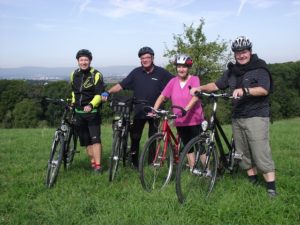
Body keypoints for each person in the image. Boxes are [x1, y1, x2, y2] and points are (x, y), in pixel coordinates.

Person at [190, 36, 277, 197]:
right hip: (237, 116)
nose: (241, 55)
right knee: (241, 152)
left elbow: (264, 89)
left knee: (260, 151)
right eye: (238, 53)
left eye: (244, 52)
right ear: (234, 54)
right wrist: (199, 87)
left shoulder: (260, 68)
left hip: (256, 115)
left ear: (250, 52)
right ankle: (252, 181)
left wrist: (245, 90)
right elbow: (216, 85)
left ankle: (271, 187)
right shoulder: (231, 71)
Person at [101, 47, 173, 169]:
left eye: (147, 57)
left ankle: (151, 162)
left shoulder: (162, 72)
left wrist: (169, 97)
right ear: (140, 60)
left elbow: (174, 84)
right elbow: (121, 85)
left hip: (155, 110)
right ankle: (134, 163)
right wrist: (108, 92)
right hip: (139, 110)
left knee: (153, 137)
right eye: (142, 58)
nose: (145, 60)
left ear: (152, 58)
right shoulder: (136, 72)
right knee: (135, 137)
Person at [152, 54, 206, 173]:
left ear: (188, 68)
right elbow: (162, 96)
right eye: (179, 66)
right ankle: (193, 170)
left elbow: (196, 97)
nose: (181, 69)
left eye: (184, 67)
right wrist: (154, 109)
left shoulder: (194, 79)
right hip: (180, 121)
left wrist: (186, 109)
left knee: (200, 147)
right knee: (188, 147)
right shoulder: (173, 81)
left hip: (195, 120)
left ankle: (208, 171)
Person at [70, 49, 105, 173]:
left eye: (86, 60)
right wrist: (73, 103)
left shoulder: (96, 74)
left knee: (95, 140)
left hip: (92, 113)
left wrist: (91, 105)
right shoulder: (74, 74)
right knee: (86, 142)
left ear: (90, 61)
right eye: (81, 60)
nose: (83, 62)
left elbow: (99, 94)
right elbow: (74, 92)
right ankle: (93, 163)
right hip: (79, 113)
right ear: (78, 61)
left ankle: (98, 166)